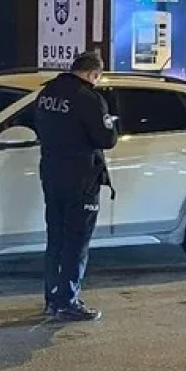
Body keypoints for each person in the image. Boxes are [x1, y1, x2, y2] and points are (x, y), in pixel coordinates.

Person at [33, 51, 118, 322]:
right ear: (93, 74)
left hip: (52, 174)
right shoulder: (89, 99)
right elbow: (107, 139)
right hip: (81, 179)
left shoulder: (47, 93)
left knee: (56, 238)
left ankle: (52, 298)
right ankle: (67, 302)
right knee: (76, 241)